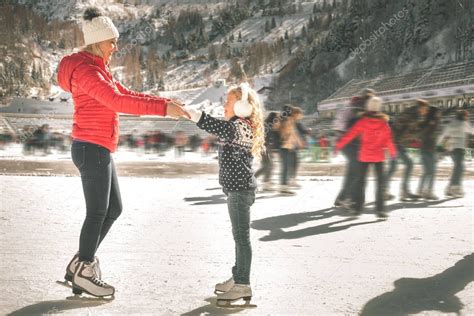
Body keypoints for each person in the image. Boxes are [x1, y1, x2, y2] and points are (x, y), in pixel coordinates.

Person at [56, 7, 189, 298]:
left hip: (97, 147)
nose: (116, 47)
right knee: (97, 212)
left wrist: (165, 102)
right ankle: (85, 269)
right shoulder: (88, 72)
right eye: (112, 41)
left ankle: (79, 263)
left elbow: (128, 94)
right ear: (98, 42)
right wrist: (163, 109)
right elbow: (117, 101)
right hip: (91, 148)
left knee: (113, 209)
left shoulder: (98, 69)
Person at [186, 82, 265, 306]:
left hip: (240, 191)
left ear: (242, 106)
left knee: (241, 238)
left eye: (228, 102)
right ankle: (238, 276)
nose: (224, 105)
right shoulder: (238, 125)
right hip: (237, 191)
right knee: (238, 237)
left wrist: (193, 114)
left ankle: (243, 283)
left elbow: (214, 126)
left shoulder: (239, 127)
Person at [335, 97, 396, 218]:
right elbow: (388, 140)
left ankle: (357, 209)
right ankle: (380, 210)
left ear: (368, 107)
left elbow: (350, 135)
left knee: (361, 183)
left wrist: (338, 146)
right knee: (380, 184)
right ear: (379, 108)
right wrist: (393, 153)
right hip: (379, 157)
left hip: (364, 156)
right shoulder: (384, 123)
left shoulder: (362, 121)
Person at [332, 88, 375, 207]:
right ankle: (348, 198)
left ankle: (342, 198)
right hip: (348, 142)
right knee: (355, 170)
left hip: (348, 142)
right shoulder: (356, 107)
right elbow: (345, 125)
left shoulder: (354, 105)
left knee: (353, 171)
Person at [386, 99, 429, 201]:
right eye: (425, 108)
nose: (426, 111)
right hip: (395, 143)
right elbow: (407, 131)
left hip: (397, 143)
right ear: (421, 107)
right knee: (405, 165)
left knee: (394, 166)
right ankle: (401, 191)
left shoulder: (412, 114)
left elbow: (407, 130)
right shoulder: (412, 115)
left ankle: (386, 190)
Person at [438, 110, 474, 197]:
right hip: (459, 148)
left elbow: (443, 135)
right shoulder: (464, 123)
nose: (467, 117)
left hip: (452, 149)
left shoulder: (451, 123)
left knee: (457, 168)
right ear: (463, 116)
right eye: (466, 116)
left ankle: (450, 188)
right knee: (459, 168)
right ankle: (455, 187)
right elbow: (472, 131)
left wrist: (438, 146)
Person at [417, 102, 441, 200]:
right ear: (434, 113)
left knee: (427, 172)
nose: (439, 115)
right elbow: (426, 135)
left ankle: (421, 190)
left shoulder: (428, 122)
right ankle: (428, 191)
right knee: (431, 171)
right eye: (438, 113)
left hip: (427, 149)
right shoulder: (431, 123)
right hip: (428, 150)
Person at [279, 106, 304, 195]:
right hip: (285, 146)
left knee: (286, 166)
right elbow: (292, 133)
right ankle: (284, 188)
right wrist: (299, 142)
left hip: (286, 147)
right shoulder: (289, 120)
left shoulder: (286, 120)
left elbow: (292, 133)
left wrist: (298, 142)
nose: (300, 117)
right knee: (285, 167)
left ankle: (285, 185)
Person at [255, 111, 281, 191]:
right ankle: (251, 179)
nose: (278, 120)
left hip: (266, 148)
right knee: (267, 165)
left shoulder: (269, 126)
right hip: (263, 148)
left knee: (268, 165)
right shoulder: (266, 126)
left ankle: (266, 182)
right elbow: (261, 138)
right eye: (277, 118)